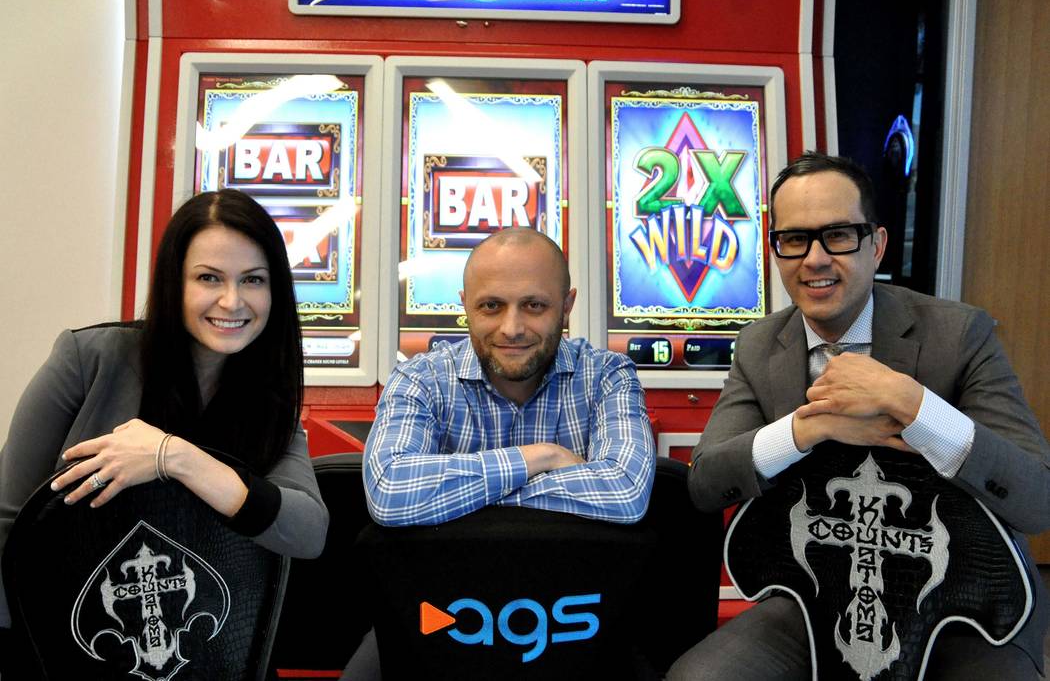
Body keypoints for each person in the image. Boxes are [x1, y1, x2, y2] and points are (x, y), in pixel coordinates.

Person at [668, 152, 1049, 680]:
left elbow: (1036, 499)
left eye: (839, 235)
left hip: (959, 601)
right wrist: (810, 427)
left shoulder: (959, 335)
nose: (815, 259)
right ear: (775, 250)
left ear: (878, 245)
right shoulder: (759, 345)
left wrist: (911, 403)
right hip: (815, 595)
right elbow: (707, 484)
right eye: (794, 239)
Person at [0, 189, 329, 665]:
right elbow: (8, 521)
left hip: (207, 660)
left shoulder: (271, 410)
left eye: (253, 279)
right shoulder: (88, 360)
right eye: (209, 277)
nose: (232, 300)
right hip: (62, 652)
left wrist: (175, 456)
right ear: (175, 282)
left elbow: (307, 533)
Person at [342, 226, 656, 679]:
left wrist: (455, 497)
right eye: (491, 306)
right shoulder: (420, 379)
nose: (512, 328)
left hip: (576, 613)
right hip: (436, 613)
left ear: (566, 305)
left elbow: (625, 492)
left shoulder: (608, 374)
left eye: (534, 305)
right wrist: (542, 457)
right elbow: (390, 493)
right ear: (465, 306)